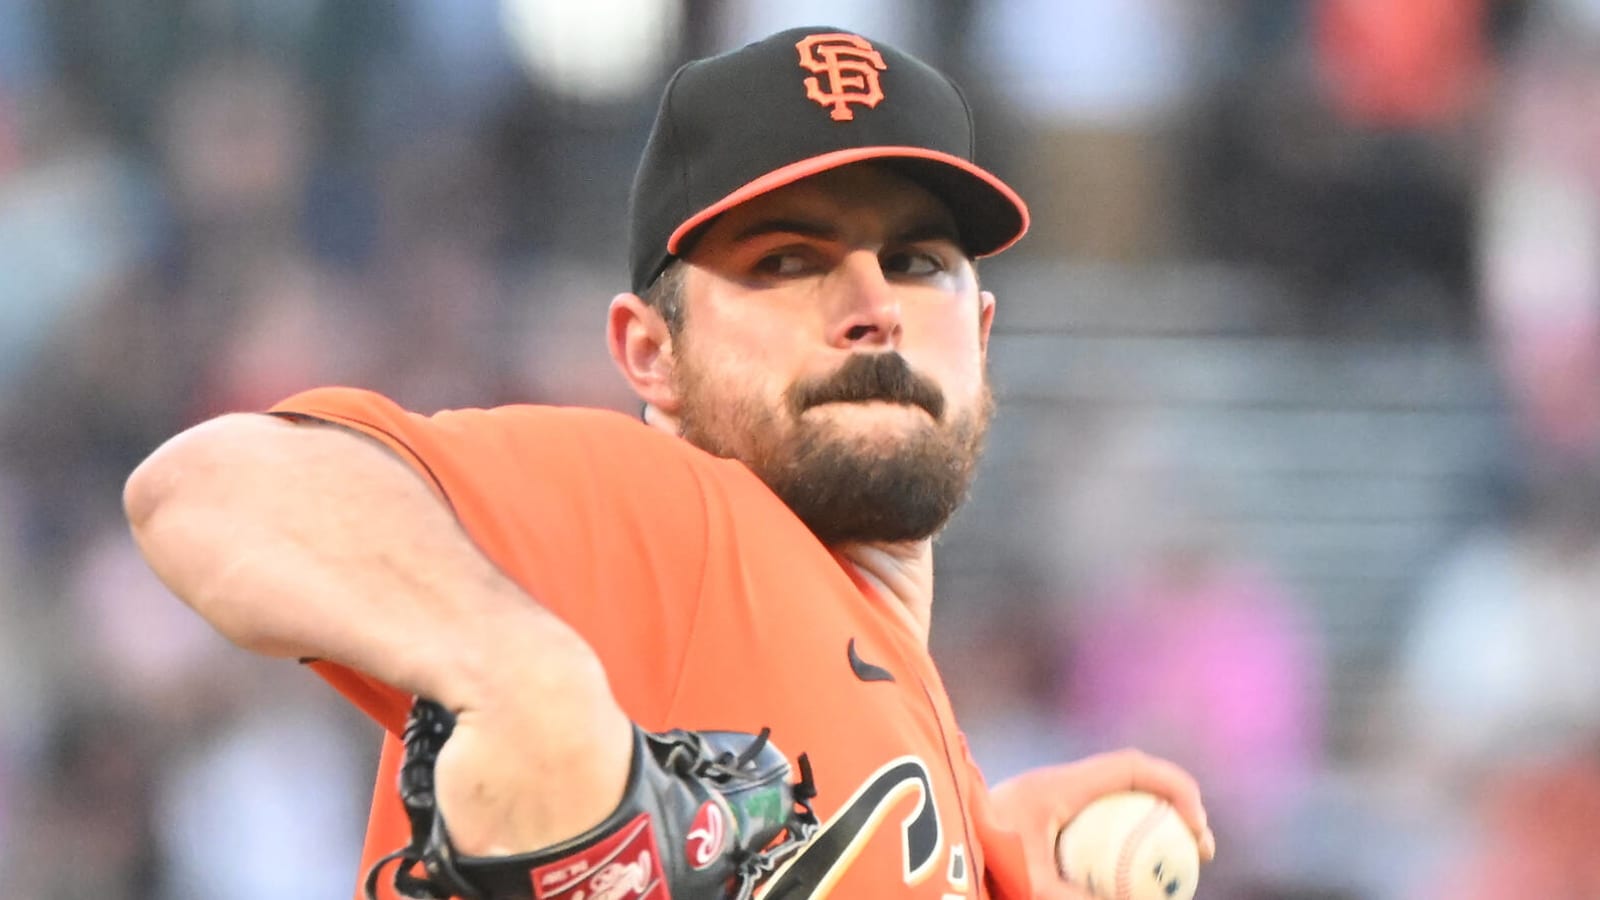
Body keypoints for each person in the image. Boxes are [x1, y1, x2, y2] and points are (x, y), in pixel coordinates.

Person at [124, 26, 1216, 899]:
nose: (874, 307)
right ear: (653, 355)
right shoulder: (672, 517)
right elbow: (213, 489)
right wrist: (523, 674)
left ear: (977, 337)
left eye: (916, 261)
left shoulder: (905, 694)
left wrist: (979, 843)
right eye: (788, 261)